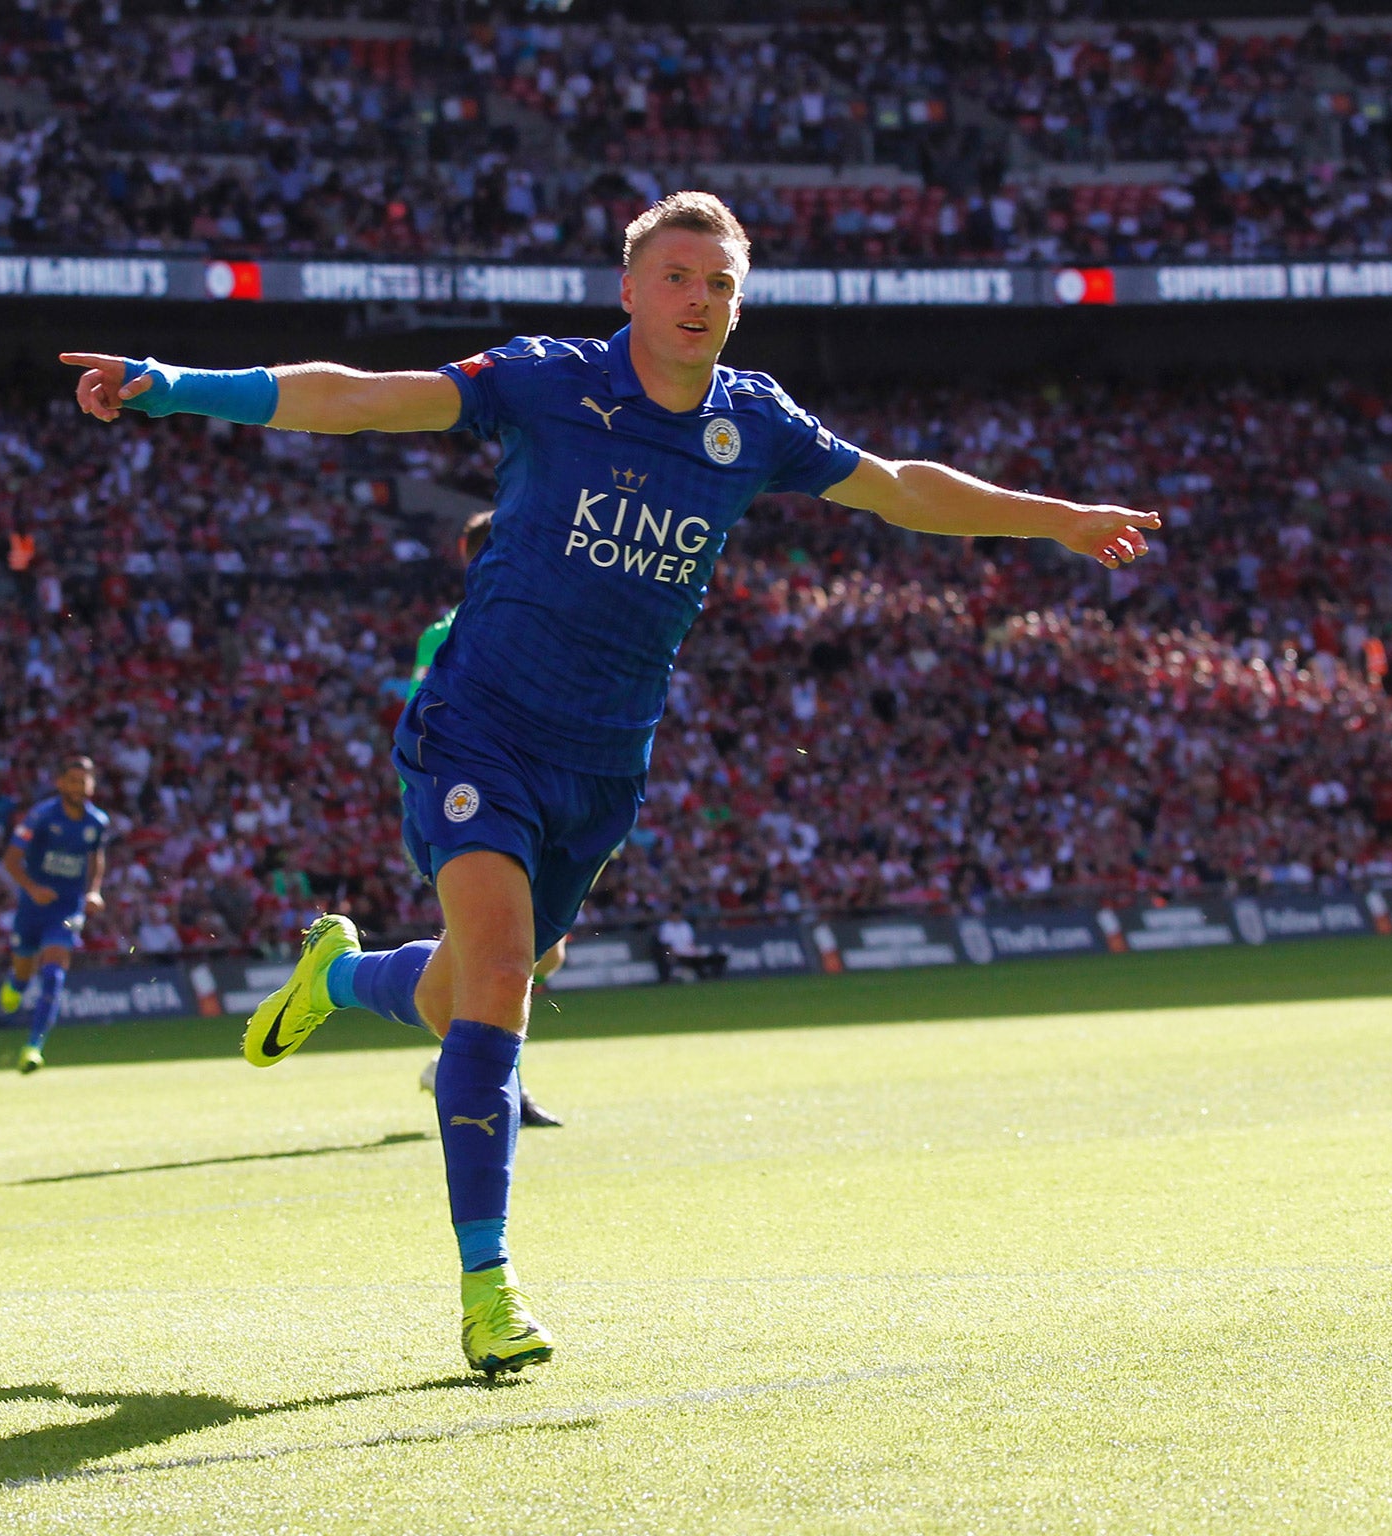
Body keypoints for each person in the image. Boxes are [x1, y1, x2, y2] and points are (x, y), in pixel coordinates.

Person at [61, 190, 1156, 1377]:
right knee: (496, 984)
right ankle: (488, 1289)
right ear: (629, 289)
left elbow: (898, 486)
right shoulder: (543, 380)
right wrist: (174, 381)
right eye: (678, 277)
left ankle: (341, 974)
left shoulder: (756, 423)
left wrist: (1052, 520)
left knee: (461, 993)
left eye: (721, 285)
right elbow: (366, 398)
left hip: (602, 761)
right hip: (479, 726)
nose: (699, 300)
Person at [411, 510, 563, 1129]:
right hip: (465, 807)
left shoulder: (538, 620)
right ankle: (498, 1088)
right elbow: (425, 715)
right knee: (501, 952)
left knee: (541, 954)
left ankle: (453, 1049)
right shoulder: (448, 630)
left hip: (531, 801)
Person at [0, 754, 110, 1074]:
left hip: (66, 908)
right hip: (33, 908)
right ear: (60, 783)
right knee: (23, 970)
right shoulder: (41, 817)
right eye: (72, 780)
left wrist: (93, 891)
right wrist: (32, 889)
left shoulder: (97, 822)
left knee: (53, 974)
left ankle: (33, 1046)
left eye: (84, 781)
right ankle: (16, 983)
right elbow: (11, 859)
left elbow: (96, 859)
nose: (79, 787)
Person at [654, 911, 728, 983]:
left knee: (717, 957)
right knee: (693, 961)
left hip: (689, 953)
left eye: (678, 914)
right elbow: (666, 947)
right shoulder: (666, 927)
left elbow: (691, 943)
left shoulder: (685, 925)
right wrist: (671, 954)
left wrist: (696, 951)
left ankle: (712, 977)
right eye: (674, 914)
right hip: (677, 954)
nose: (677, 916)